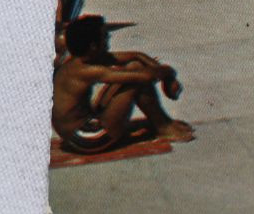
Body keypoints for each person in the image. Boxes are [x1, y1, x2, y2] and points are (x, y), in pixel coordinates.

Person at [51, 15, 193, 153]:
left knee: (134, 66)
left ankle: (162, 122)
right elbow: (146, 76)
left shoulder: (82, 59)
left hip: (79, 128)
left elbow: (136, 55)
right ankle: (163, 127)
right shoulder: (87, 70)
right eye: (105, 36)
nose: (109, 39)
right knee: (136, 77)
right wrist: (169, 73)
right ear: (94, 46)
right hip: (84, 138)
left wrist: (167, 79)